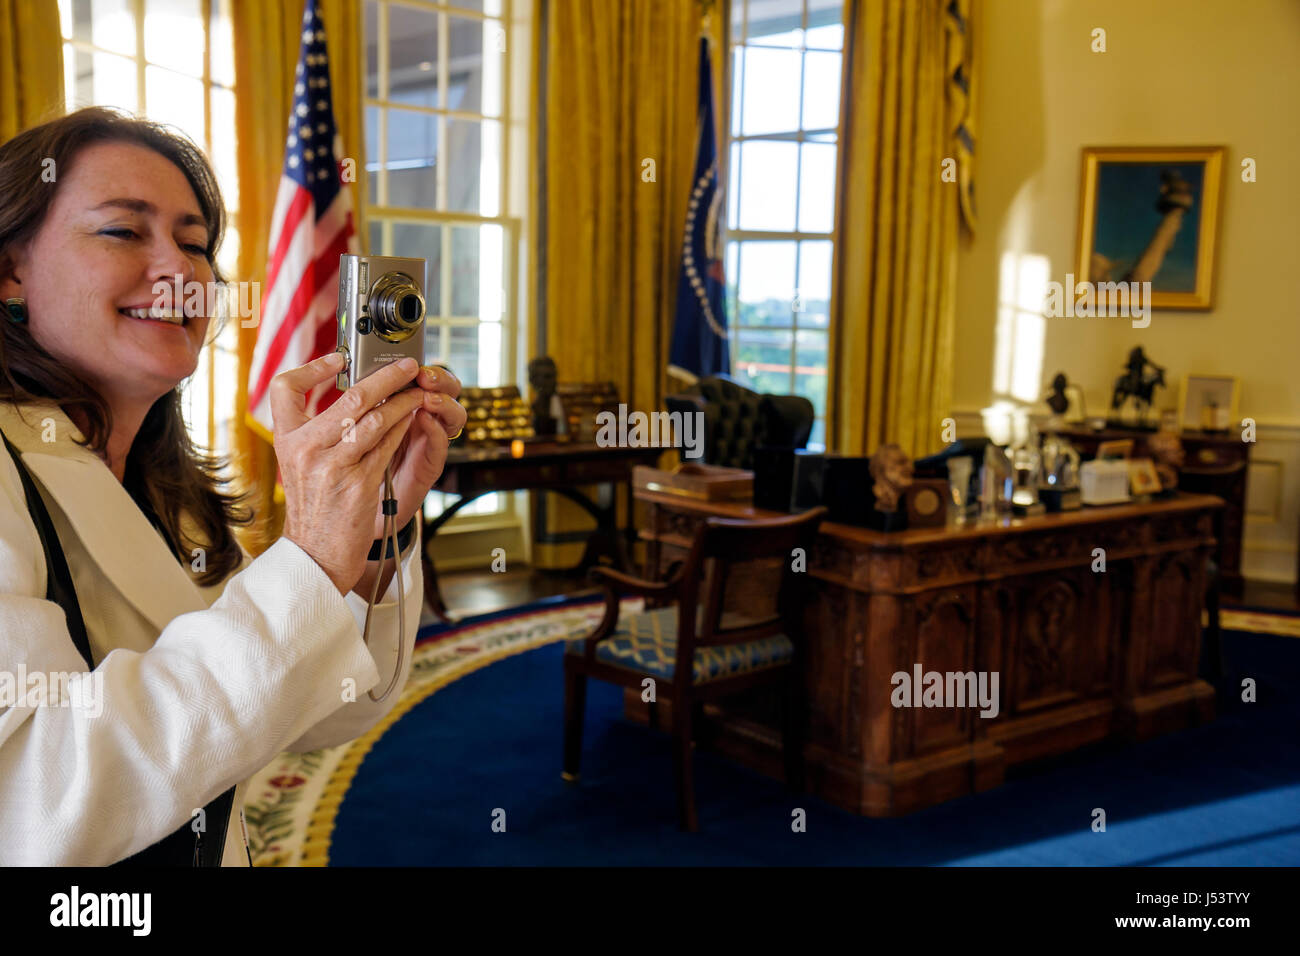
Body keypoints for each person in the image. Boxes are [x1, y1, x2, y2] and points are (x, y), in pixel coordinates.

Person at [0, 107, 467, 865]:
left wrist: (370, 531)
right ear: (11, 270)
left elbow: (299, 707)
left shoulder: (162, 487)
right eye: (124, 231)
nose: (182, 270)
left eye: (195, 244)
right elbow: (34, 801)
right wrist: (310, 556)